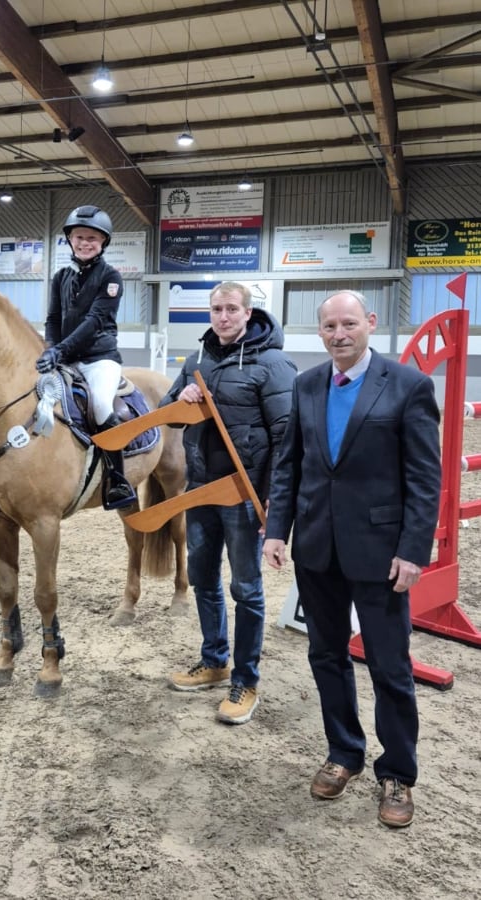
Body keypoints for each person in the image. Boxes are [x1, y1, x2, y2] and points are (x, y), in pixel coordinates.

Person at [263, 290, 441, 828]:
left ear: (369, 323)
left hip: (381, 554)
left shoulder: (409, 385)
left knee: (390, 667)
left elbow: (424, 479)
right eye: (329, 327)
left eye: (348, 324)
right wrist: (277, 531)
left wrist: (413, 549)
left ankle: (397, 773)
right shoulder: (306, 384)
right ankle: (344, 752)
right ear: (319, 333)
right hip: (317, 549)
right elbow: (289, 466)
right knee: (327, 657)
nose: (339, 334)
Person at [163, 282, 297, 725]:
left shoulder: (272, 363)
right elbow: (168, 410)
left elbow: (286, 437)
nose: (223, 316)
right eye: (216, 309)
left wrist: (275, 500)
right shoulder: (197, 359)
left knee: (247, 590)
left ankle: (246, 680)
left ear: (247, 311)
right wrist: (180, 398)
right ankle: (215, 660)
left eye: (231, 309)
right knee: (203, 579)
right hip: (201, 490)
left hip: (243, 495)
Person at [36, 205, 136, 509]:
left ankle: (118, 479)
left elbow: (94, 322)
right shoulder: (60, 276)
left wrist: (60, 350)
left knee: (102, 405)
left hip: (99, 358)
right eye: (79, 237)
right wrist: (50, 347)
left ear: (103, 242)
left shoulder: (111, 277)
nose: (84, 243)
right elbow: (53, 318)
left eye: (92, 238)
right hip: (64, 357)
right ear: (70, 239)